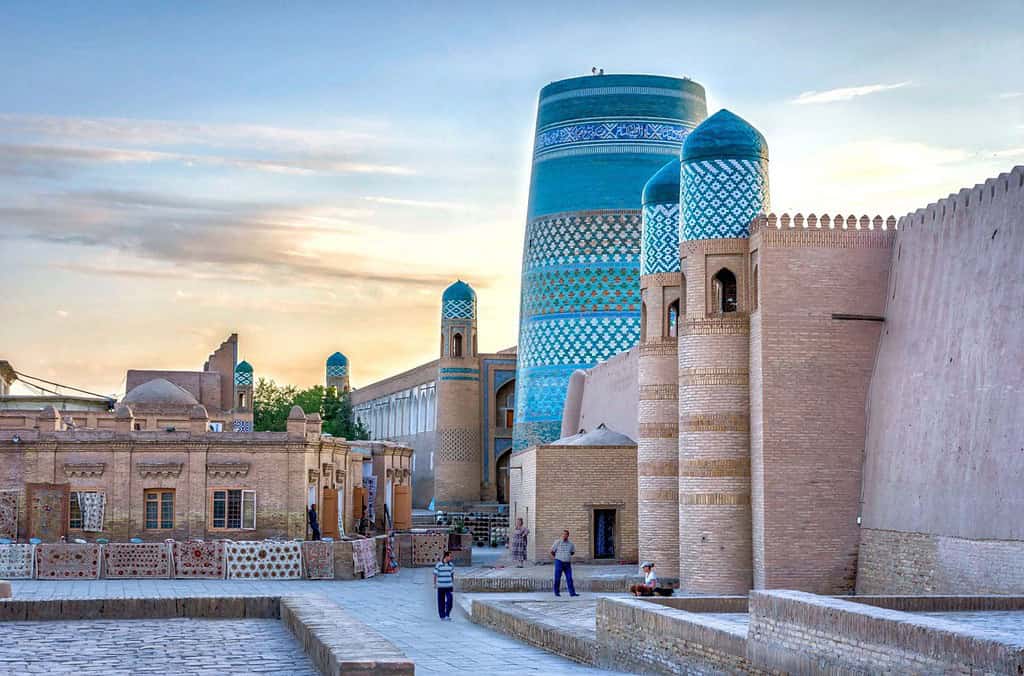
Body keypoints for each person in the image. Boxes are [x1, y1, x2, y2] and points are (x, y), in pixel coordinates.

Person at [550, 529, 579, 597]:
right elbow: (552, 551)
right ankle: (556, 592)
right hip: (559, 562)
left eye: (566, 534)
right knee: (557, 578)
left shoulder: (570, 544)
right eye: (563, 534)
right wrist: (557, 557)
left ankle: (572, 593)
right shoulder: (557, 542)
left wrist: (566, 556)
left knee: (569, 578)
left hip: (567, 563)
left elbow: (572, 552)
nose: (564, 536)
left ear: (568, 535)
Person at [433, 550, 455, 621]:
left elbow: (452, 574)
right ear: (446, 556)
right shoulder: (439, 565)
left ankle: (447, 614)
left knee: (450, 600)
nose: (451, 558)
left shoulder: (451, 565)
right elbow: (435, 575)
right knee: (441, 601)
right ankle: (442, 616)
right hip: (441, 586)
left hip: (449, 586)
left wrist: (452, 583)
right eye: (450, 556)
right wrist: (435, 584)